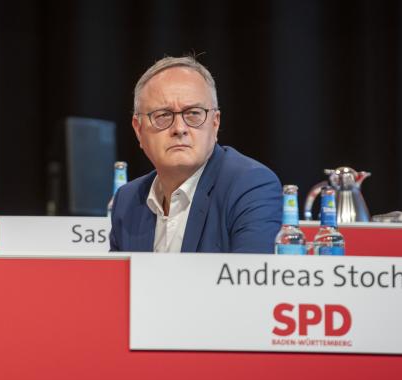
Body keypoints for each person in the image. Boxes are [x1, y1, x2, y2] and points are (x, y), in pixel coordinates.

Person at [109, 56, 282, 253]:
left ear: (215, 124)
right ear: (138, 130)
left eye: (193, 113)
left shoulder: (250, 186)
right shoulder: (127, 201)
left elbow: (247, 280)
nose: (179, 128)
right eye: (163, 115)